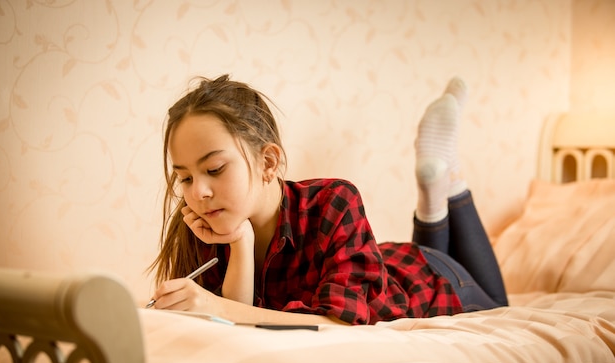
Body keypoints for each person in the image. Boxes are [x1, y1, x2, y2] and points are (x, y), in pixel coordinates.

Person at [148, 74, 508, 326]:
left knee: (502, 306)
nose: (198, 192)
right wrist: (241, 242)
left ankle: (448, 178)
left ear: (268, 162)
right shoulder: (206, 224)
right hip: (383, 262)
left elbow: (339, 325)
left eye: (214, 169)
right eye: (185, 177)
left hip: (431, 281)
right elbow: (237, 331)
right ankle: (437, 184)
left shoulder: (333, 200)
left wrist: (218, 308)